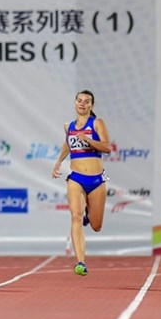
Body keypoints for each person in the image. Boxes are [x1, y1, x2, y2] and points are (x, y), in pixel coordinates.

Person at [52, 90, 111, 276]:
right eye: (79, 100)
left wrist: (90, 141)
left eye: (87, 102)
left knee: (96, 225)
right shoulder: (68, 126)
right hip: (76, 177)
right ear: (75, 103)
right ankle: (80, 262)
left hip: (96, 180)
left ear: (91, 106)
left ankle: (89, 214)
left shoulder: (97, 123)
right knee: (75, 217)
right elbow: (68, 144)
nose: (82, 104)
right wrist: (59, 161)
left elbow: (107, 147)